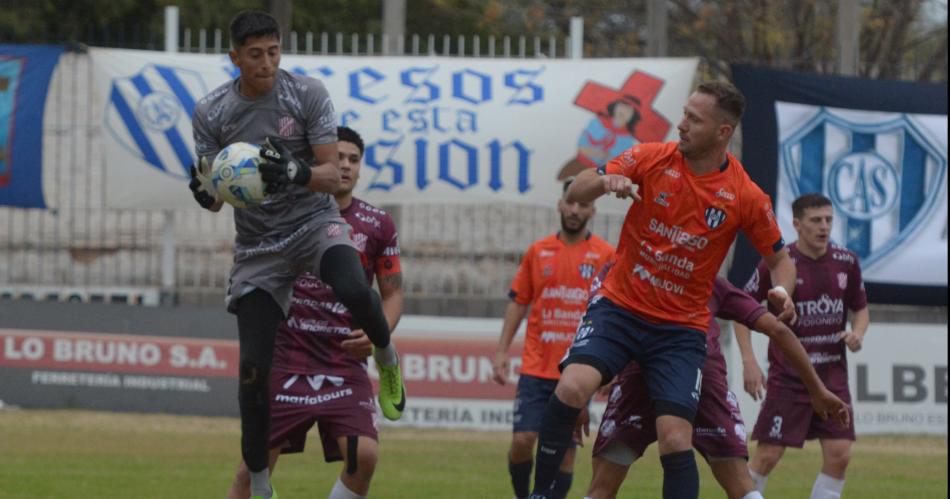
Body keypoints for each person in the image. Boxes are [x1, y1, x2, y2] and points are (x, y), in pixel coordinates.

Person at [528, 81, 804, 499]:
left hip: (680, 329)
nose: (681, 124)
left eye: (695, 119)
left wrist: (782, 292)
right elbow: (580, 186)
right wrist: (607, 182)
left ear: (722, 132)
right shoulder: (650, 156)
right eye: (684, 114)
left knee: (676, 438)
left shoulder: (744, 195)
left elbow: (782, 261)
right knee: (570, 388)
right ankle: (541, 494)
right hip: (619, 308)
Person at [187, 12, 404, 499]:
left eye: (273, 52)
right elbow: (217, 190)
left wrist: (295, 169)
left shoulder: (307, 94)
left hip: (314, 224)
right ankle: (261, 486)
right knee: (252, 372)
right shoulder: (211, 113)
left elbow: (331, 175)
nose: (266, 64)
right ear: (235, 58)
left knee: (353, 288)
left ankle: (388, 358)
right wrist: (206, 194)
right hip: (260, 247)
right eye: (255, 55)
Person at [225, 126, 401, 499]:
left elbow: (393, 293)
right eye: (338, 157)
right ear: (319, 161)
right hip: (287, 354)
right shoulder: (281, 214)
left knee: (364, 455)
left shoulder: (378, 224)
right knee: (251, 469)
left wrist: (377, 331)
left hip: (342, 359)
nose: (346, 166)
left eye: (354, 159)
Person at [585, 275, 850, 499]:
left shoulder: (627, 271)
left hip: (648, 373)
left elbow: (598, 331)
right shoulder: (706, 278)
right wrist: (817, 389)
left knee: (602, 487)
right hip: (699, 374)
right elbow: (778, 328)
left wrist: (585, 390)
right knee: (740, 484)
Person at [736, 192, 870, 499]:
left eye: (828, 220)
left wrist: (857, 333)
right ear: (797, 224)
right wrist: (749, 359)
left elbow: (860, 309)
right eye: (816, 220)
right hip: (789, 377)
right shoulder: (779, 265)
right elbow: (739, 311)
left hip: (832, 375)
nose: (824, 227)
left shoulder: (846, 262)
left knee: (840, 454)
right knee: (768, 455)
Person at [491, 178, 615, 499]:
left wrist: (612, 367)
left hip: (579, 369)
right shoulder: (538, 251)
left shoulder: (605, 255)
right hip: (536, 367)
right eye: (570, 203)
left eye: (583, 205)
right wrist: (502, 351)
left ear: (593, 210)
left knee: (566, 451)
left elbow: (615, 312)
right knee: (522, 442)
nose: (575, 210)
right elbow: (519, 302)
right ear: (560, 204)